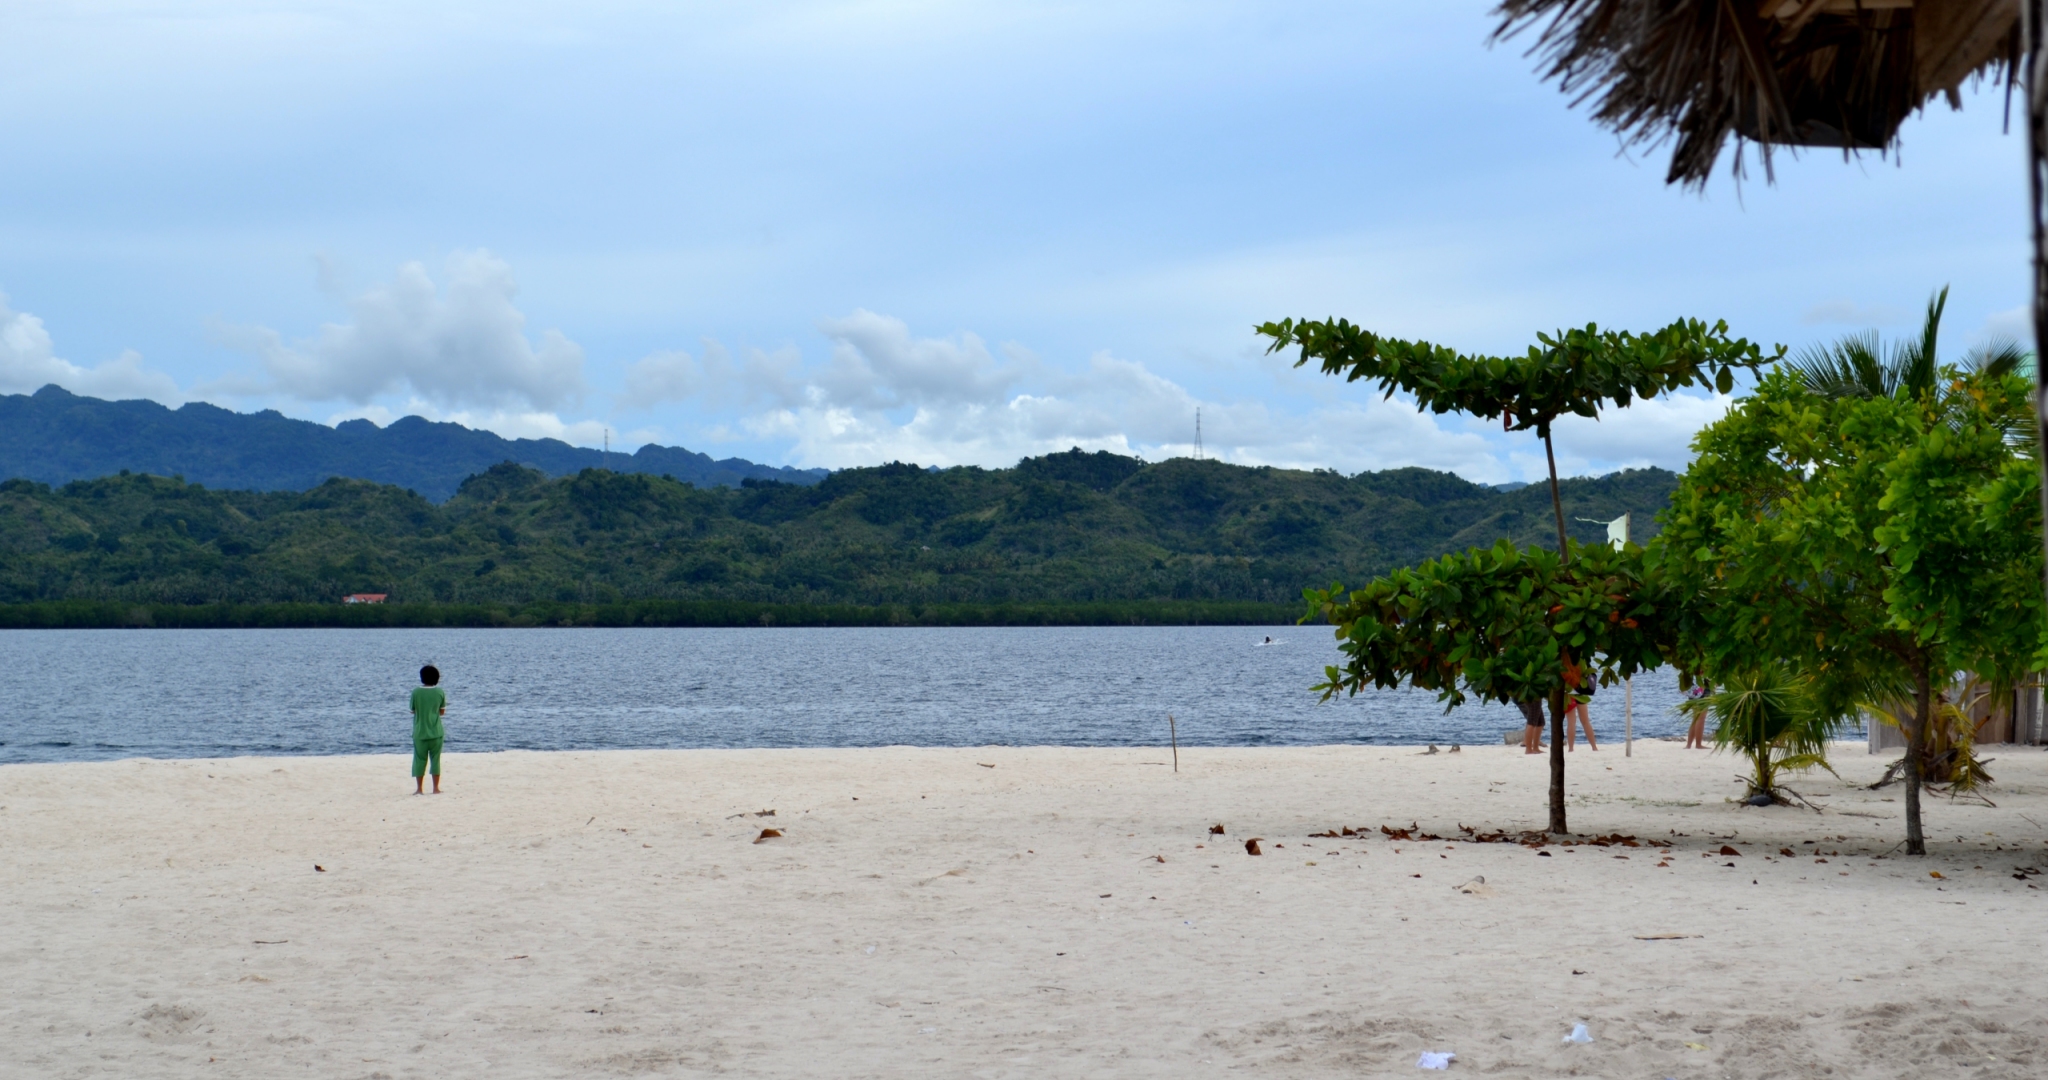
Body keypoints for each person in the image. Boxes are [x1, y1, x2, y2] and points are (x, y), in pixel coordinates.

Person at [410, 664, 447, 794]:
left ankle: (419, 789)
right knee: (435, 760)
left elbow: (412, 711)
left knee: (419, 759)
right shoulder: (440, 692)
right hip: (436, 731)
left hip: (420, 732)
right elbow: (442, 712)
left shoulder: (416, 692)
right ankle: (436, 788)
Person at [1685, 683, 1710, 749]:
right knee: (1701, 718)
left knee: (1695, 718)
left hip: (1693, 689)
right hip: (1701, 689)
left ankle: (1689, 745)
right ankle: (1698, 744)